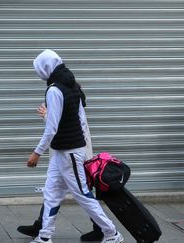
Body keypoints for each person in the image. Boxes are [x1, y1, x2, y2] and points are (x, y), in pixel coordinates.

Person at [25, 49, 123, 243]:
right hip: (66, 151)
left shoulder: (54, 90)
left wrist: (37, 153)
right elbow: (76, 119)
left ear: (45, 68)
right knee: (52, 193)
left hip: (68, 152)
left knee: (82, 194)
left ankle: (112, 233)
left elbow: (52, 127)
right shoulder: (72, 85)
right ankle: (44, 236)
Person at [17, 103, 103, 241]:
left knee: (83, 193)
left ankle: (104, 229)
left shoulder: (68, 99)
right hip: (69, 155)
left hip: (72, 155)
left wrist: (46, 116)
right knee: (54, 190)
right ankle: (40, 226)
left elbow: (61, 127)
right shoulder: (71, 97)